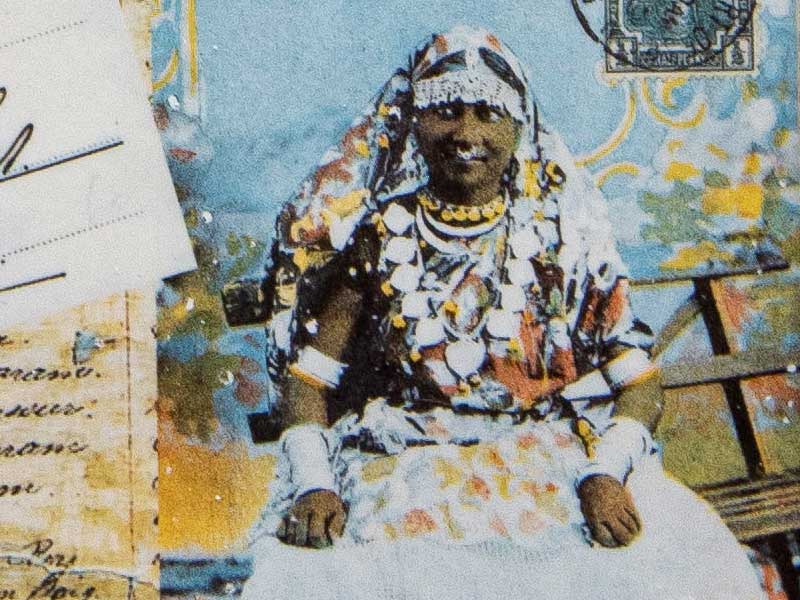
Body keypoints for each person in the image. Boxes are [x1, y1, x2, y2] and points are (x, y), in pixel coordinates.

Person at [246, 26, 765, 600]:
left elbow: (639, 381)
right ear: (413, 120)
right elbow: (307, 379)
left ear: (520, 126)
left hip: (546, 455)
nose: (466, 133)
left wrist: (605, 473)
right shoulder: (378, 236)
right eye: (445, 111)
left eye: (488, 113)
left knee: (663, 567)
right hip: (410, 460)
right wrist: (316, 484)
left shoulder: (562, 241)